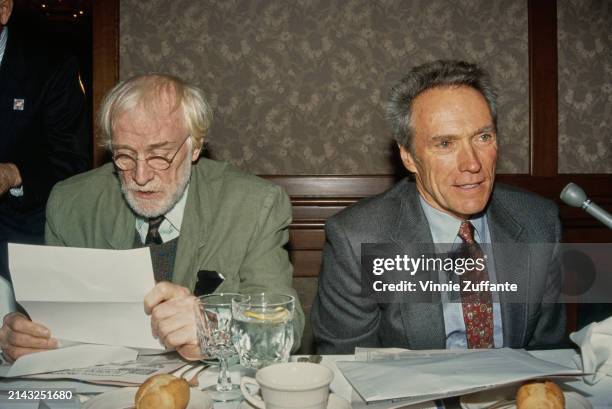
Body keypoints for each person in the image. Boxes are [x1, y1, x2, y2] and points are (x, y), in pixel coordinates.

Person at [0, 73, 304, 361]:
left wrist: (213, 328)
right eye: (124, 155)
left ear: (195, 146)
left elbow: (286, 328)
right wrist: (25, 337)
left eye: (160, 155)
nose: (140, 176)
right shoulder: (72, 205)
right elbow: (55, 321)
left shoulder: (253, 205)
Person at [311, 60, 565, 354]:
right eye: (445, 144)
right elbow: (349, 368)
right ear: (408, 156)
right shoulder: (357, 237)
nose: (472, 163)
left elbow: (549, 355)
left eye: (483, 137)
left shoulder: (538, 222)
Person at [0, 0, 90, 282]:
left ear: (3, 9)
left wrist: (13, 174)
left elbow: (72, 162)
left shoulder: (51, 66)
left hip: (21, 240)